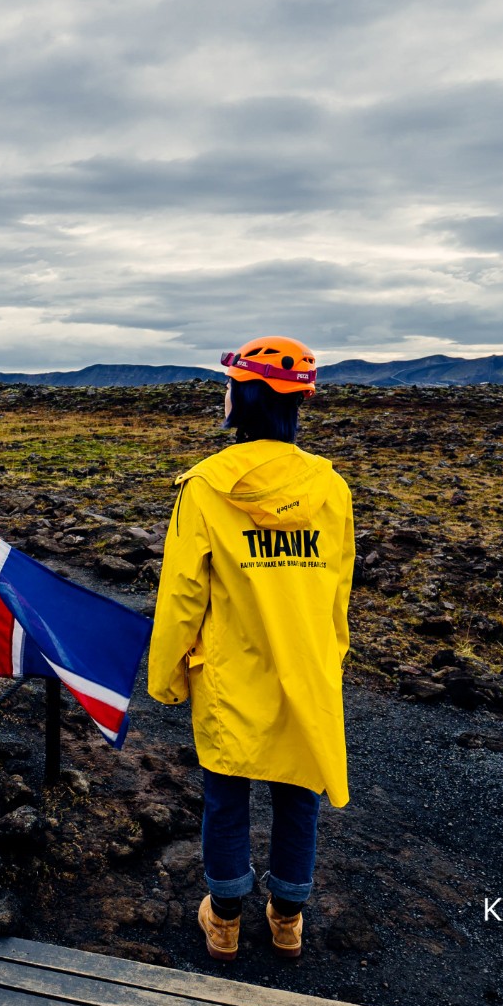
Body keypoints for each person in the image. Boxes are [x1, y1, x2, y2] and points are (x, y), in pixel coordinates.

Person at [148, 335, 354, 961]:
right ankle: (288, 919)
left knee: (225, 794)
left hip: (232, 674)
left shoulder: (205, 487)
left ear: (239, 397)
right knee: (298, 792)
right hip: (307, 670)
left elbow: (183, 594)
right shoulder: (331, 487)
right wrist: (329, 659)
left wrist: (166, 676)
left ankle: (227, 920)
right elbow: (338, 592)